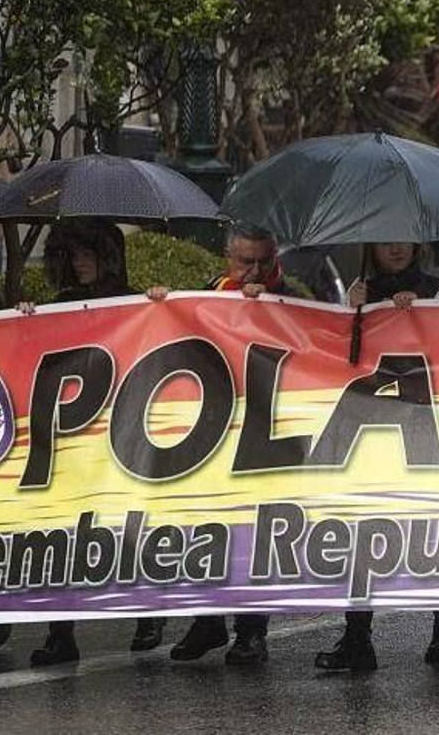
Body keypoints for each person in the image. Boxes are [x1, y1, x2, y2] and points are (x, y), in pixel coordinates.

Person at [16, 220, 166, 666]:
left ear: (108, 256)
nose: (79, 262)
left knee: (133, 525)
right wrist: (27, 315)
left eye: (87, 253)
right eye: (73, 254)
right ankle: (61, 633)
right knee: (63, 531)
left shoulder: (136, 301)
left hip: (124, 433)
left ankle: (149, 615)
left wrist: (159, 305)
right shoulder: (60, 305)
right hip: (73, 436)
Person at [314, 242, 439, 672]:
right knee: (364, 531)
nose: (396, 248)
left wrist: (424, 317)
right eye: (386, 240)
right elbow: (337, 356)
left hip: (426, 427)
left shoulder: (438, 290)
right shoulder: (357, 292)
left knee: (435, 527)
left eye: (404, 239)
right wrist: (354, 313)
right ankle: (357, 636)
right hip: (371, 429)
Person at [158, 224, 290, 665]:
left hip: (267, 431)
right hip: (217, 425)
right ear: (227, 259)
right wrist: (162, 306)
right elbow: (180, 330)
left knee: (257, 532)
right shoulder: (212, 292)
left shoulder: (292, 298)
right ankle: (208, 621)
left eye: (263, 262)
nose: (254, 270)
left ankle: (251, 632)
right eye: (244, 261)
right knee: (208, 525)